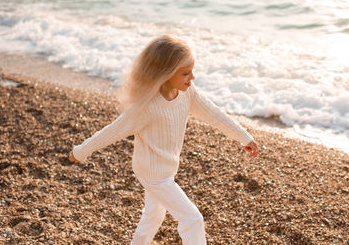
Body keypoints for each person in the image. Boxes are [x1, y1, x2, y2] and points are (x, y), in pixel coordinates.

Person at [70, 35, 259, 245]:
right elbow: (111, 132)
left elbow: (213, 114)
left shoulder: (187, 93)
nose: (192, 77)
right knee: (193, 219)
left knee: (153, 216)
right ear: (166, 74)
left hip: (166, 169)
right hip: (154, 174)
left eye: (192, 71)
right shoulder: (146, 108)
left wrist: (244, 137)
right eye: (186, 73)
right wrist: (80, 151)